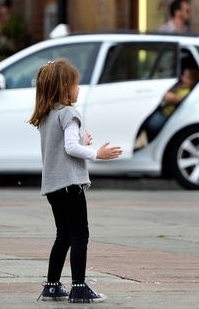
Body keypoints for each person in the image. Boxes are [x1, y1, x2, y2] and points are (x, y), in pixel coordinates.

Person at [28, 58, 122, 303]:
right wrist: (97, 154)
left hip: (53, 186)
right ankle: (79, 287)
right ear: (64, 87)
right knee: (80, 235)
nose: (78, 88)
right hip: (70, 185)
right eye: (75, 84)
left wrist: (83, 141)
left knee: (64, 235)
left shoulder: (47, 114)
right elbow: (70, 148)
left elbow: (64, 144)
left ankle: (52, 285)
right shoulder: (69, 113)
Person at [134, 62, 199, 149]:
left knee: (152, 125)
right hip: (162, 110)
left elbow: (174, 98)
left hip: (167, 115)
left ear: (193, 81)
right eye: (183, 76)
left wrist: (165, 94)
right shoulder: (180, 86)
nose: (183, 79)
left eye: (187, 78)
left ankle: (150, 144)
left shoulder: (188, 91)